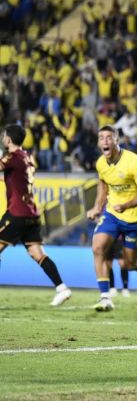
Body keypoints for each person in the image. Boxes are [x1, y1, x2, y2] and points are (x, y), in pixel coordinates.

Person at [0, 124, 72, 306]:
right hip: (32, 214)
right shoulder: (27, 157)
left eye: (4, 136)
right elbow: (16, 178)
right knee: (37, 253)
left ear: (8, 139)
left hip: (17, 213)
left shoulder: (12, 157)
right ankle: (62, 288)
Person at [86, 126, 137, 312]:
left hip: (135, 219)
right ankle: (105, 298)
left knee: (128, 264)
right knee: (97, 247)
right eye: (101, 138)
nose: (105, 141)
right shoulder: (101, 163)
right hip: (113, 215)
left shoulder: (133, 161)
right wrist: (97, 207)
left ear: (117, 141)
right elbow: (103, 184)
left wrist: (126, 205)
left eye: (109, 137)